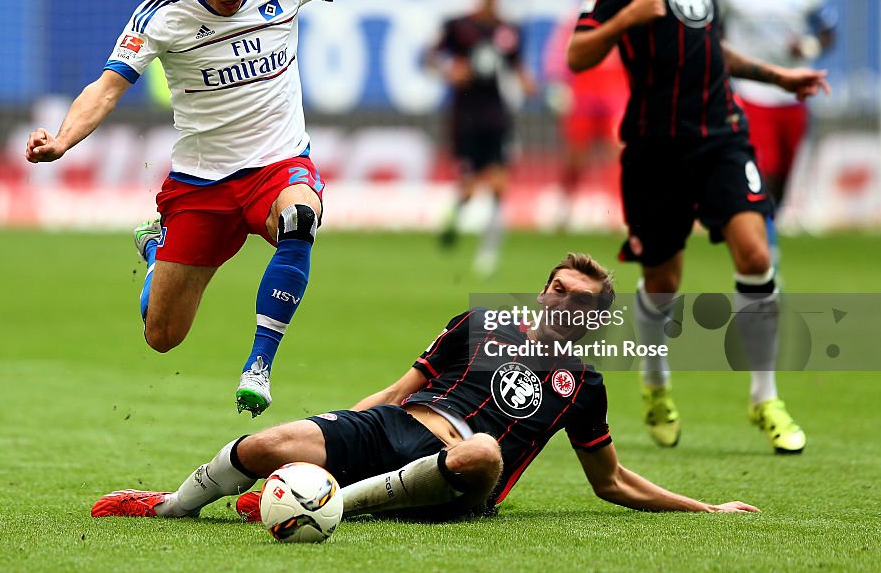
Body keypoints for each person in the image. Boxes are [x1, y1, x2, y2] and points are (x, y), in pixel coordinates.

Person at [24, 0, 520, 417]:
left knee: (300, 218)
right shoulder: (162, 16)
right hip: (202, 183)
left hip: (277, 165)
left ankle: (258, 366)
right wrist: (63, 140)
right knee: (163, 336)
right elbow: (106, 89)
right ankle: (157, 249)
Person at [90, 252, 759, 521]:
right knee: (270, 441)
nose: (561, 301)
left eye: (577, 300)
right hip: (396, 428)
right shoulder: (479, 323)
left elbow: (611, 481)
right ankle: (170, 507)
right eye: (556, 288)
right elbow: (396, 388)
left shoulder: (582, 385)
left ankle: (327, 503)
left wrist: (706, 510)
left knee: (484, 453)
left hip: (458, 476)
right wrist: (330, 428)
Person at [567, 0, 829, 453]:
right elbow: (579, 53)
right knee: (662, 282)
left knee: (756, 250)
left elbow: (709, 46)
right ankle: (656, 384)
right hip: (655, 149)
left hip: (722, 135)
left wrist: (777, 76)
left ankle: (765, 398)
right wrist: (629, 17)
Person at [718, 0, 837, 261]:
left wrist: (809, 48)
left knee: (782, 176)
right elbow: (715, 32)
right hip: (750, 92)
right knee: (762, 169)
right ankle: (764, 249)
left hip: (793, 93)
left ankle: (766, 230)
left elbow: (828, 30)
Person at [433, 0, 537, 278]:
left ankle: (487, 254)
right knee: (468, 188)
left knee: (497, 186)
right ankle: (453, 217)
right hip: (464, 115)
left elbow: (517, 68)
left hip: (495, 114)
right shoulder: (458, 26)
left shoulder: (510, 30)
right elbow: (428, 58)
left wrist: (529, 84)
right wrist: (449, 70)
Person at [541, 12, 628, 229]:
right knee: (576, 158)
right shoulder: (576, 19)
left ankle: (618, 212)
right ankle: (564, 206)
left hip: (615, 94)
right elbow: (557, 54)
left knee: (619, 155)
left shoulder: (628, 14)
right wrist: (557, 85)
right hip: (583, 94)